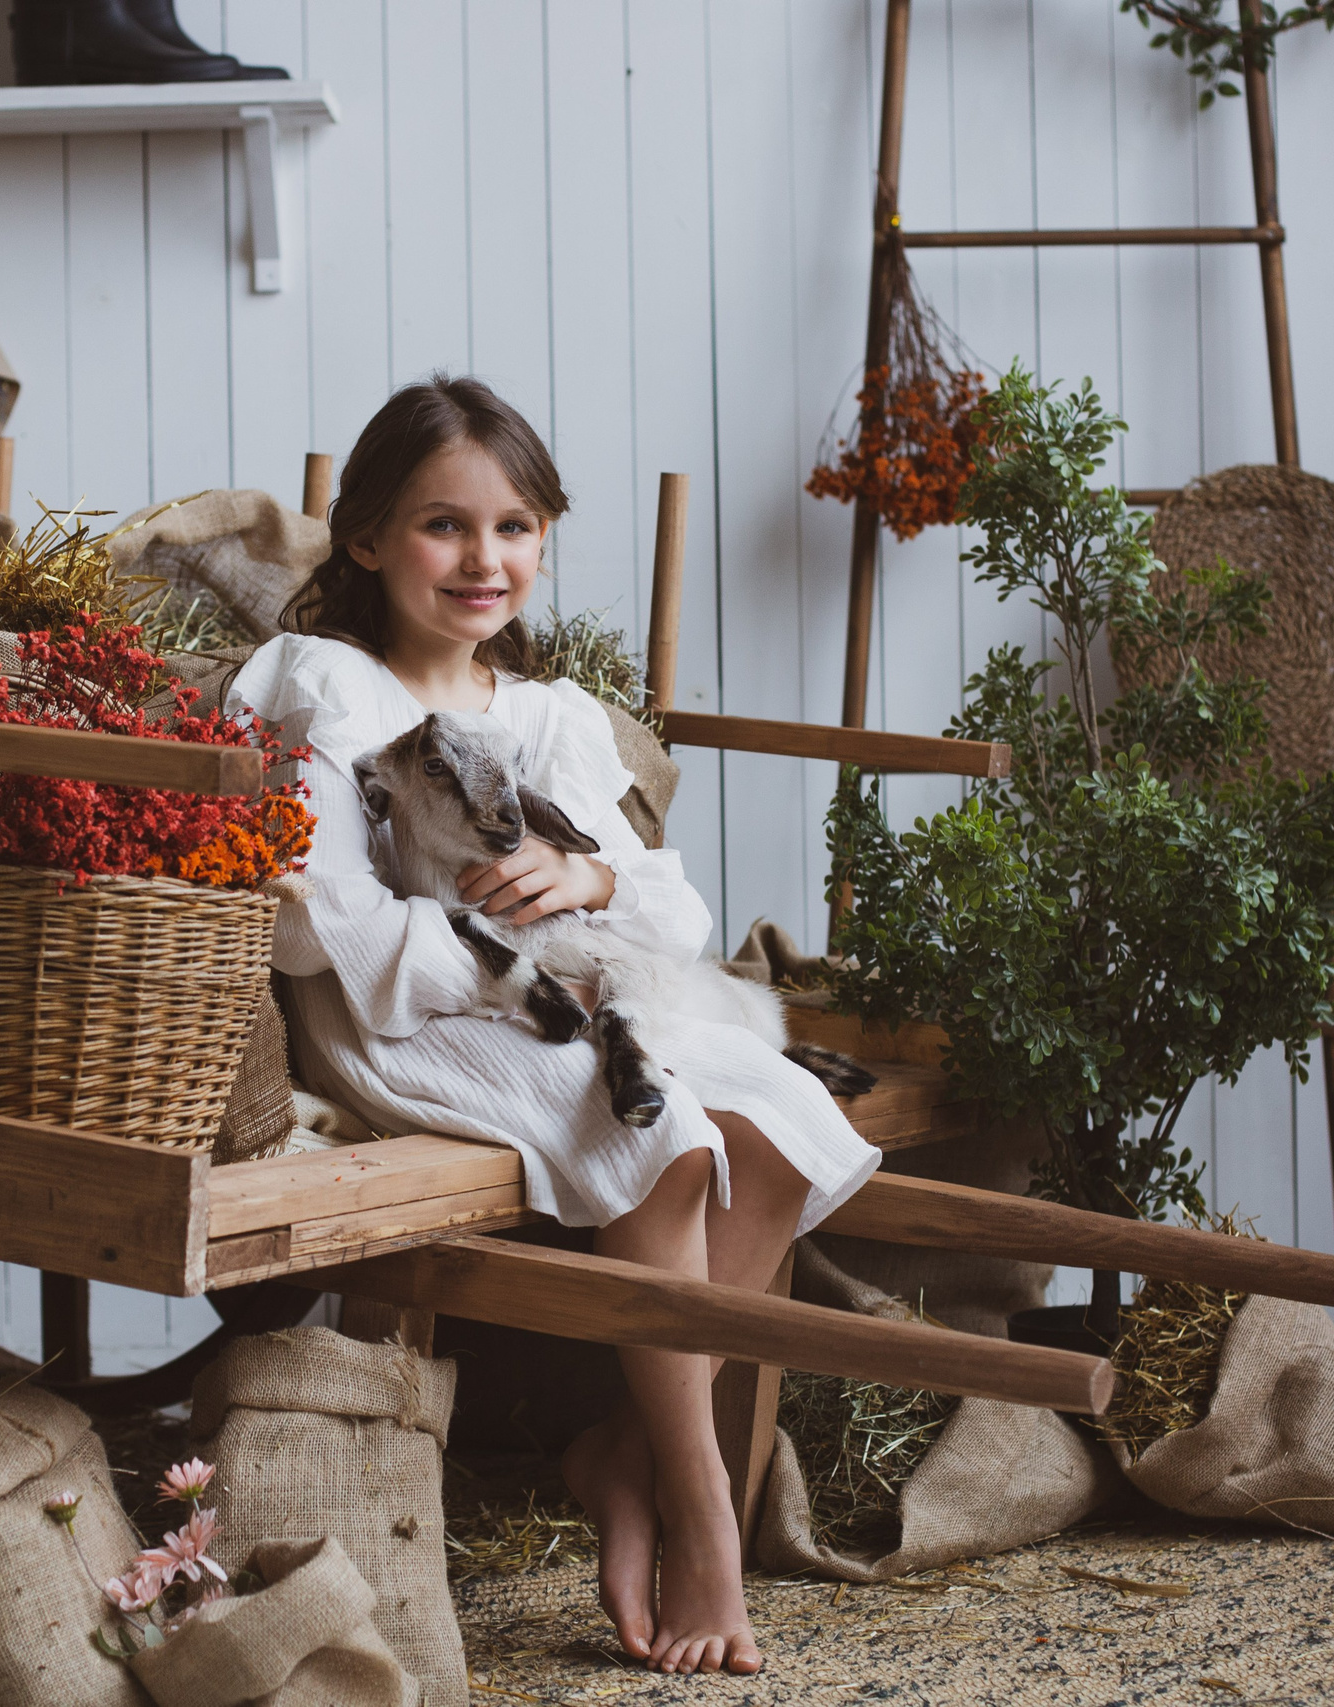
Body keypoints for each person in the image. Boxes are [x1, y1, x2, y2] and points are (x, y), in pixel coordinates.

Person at [231, 376, 878, 1676]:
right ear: (364, 539)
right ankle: (701, 1515)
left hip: (579, 992)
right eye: (445, 527)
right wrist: (490, 959)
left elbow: (668, 910)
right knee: (673, 1141)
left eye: (516, 527)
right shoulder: (329, 690)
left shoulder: (550, 715)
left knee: (775, 1119)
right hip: (414, 1015)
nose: (487, 560)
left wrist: (589, 879)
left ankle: (627, 1456)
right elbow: (317, 924)